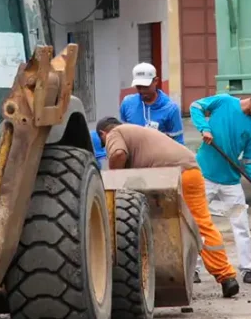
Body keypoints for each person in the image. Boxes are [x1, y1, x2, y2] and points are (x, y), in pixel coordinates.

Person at [96, 117, 240, 298]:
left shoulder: (115, 133)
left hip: (173, 175)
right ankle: (226, 277)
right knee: (202, 225)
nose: (105, 145)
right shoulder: (138, 133)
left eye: (103, 142)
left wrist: (114, 179)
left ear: (103, 133)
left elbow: (117, 154)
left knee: (156, 226)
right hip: (191, 172)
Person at [190, 90, 251, 285]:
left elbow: (250, 161)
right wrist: (204, 128)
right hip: (205, 176)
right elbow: (195, 106)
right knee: (196, 222)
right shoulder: (224, 101)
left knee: (241, 224)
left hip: (231, 182)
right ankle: (192, 268)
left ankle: (247, 269)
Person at [120, 62, 184, 144]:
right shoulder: (127, 103)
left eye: (146, 87)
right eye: (139, 87)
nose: (142, 91)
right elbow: (122, 133)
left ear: (156, 81)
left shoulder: (171, 108)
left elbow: (178, 142)